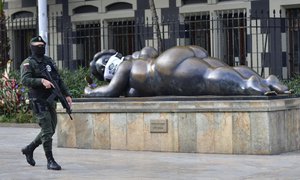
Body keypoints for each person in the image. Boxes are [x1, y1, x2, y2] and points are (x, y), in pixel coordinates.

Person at [84, 45, 290, 97]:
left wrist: (91, 91)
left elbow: (111, 91)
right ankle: (264, 80)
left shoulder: (126, 67)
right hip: (174, 55)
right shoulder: (140, 58)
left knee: (208, 78)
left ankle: (247, 85)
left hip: (164, 70)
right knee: (218, 70)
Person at [20, 36, 72, 170]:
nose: (40, 48)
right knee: (47, 130)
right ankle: (50, 160)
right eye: (38, 46)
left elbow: (58, 79)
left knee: (50, 129)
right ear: (32, 47)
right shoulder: (28, 63)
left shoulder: (48, 61)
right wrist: (41, 81)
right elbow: (25, 80)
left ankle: (29, 149)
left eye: (42, 45)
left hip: (50, 99)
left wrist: (66, 94)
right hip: (38, 100)